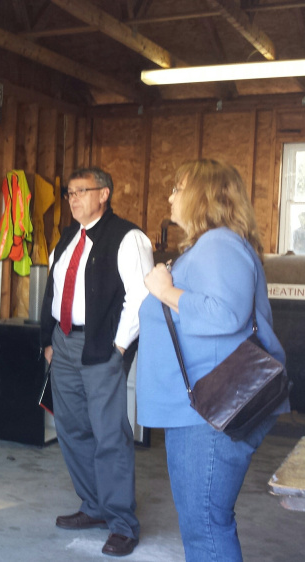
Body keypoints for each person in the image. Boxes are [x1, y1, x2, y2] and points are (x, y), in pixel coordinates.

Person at [138, 159, 289, 561]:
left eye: (178, 188)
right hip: (205, 409)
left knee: (205, 526)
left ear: (201, 196)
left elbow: (224, 315)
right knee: (206, 523)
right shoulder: (214, 246)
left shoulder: (219, 244)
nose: (170, 196)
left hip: (210, 412)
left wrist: (164, 290)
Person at [40, 167, 153, 557]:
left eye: (81, 191)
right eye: (69, 193)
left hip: (102, 346)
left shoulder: (128, 237)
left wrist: (119, 347)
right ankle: (94, 506)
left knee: (109, 435)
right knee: (72, 429)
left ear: (104, 194)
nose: (72, 199)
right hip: (63, 344)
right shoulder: (67, 237)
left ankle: (122, 523)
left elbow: (140, 297)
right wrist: (48, 341)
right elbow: (54, 290)